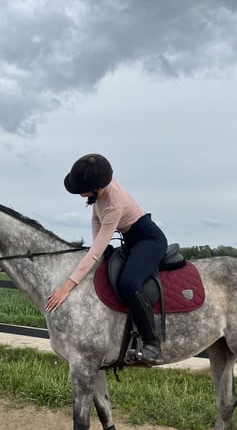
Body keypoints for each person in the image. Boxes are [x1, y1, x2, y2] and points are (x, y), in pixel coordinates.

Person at [45, 153, 168, 364]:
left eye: (81, 190)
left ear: (97, 188)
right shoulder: (100, 192)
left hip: (149, 240)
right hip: (131, 240)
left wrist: (66, 287)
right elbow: (96, 220)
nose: (78, 194)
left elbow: (95, 249)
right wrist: (98, 249)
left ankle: (151, 345)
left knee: (129, 283)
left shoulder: (114, 203)